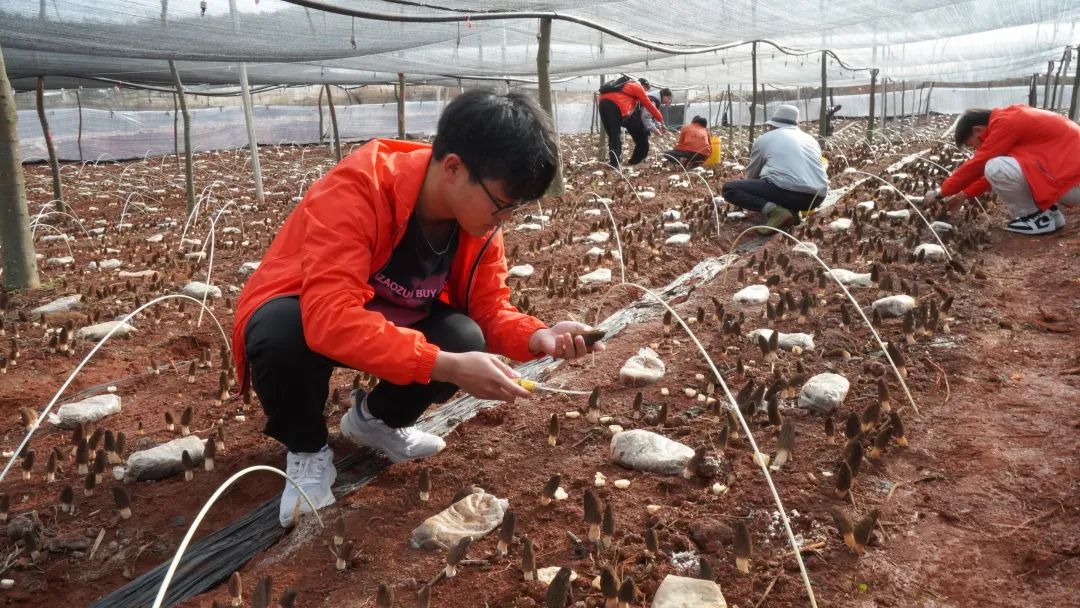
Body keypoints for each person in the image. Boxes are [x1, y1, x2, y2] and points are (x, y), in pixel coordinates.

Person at [232, 90, 605, 527]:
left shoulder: (479, 225)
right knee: (280, 334)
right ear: (453, 168)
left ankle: (375, 422)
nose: (505, 219)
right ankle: (308, 450)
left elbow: (489, 310)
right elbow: (330, 317)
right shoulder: (358, 190)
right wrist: (443, 365)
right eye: (503, 204)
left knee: (465, 335)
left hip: (390, 316)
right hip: (310, 308)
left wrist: (538, 336)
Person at [923, 105, 1077, 235]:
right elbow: (990, 174)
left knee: (994, 166)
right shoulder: (1014, 117)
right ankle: (1050, 216)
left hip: (1074, 183)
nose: (976, 149)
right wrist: (962, 196)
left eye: (972, 145)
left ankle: (1035, 217)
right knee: (1001, 166)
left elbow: (982, 165)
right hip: (1071, 180)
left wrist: (940, 193)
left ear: (977, 130)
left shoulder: (1006, 122)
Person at [721, 104, 828, 233]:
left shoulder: (765, 138)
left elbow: (753, 174)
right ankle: (792, 214)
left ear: (772, 125)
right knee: (784, 185)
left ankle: (776, 212)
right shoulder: (811, 139)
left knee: (729, 188)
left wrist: (752, 200)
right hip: (816, 198)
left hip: (786, 192)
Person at [598, 77, 666, 168]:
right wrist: (661, 120)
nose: (646, 92)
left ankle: (614, 163)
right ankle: (626, 163)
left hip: (602, 102)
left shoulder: (622, 85)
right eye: (646, 89)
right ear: (643, 85)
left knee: (613, 135)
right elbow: (649, 105)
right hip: (617, 106)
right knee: (634, 135)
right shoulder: (637, 86)